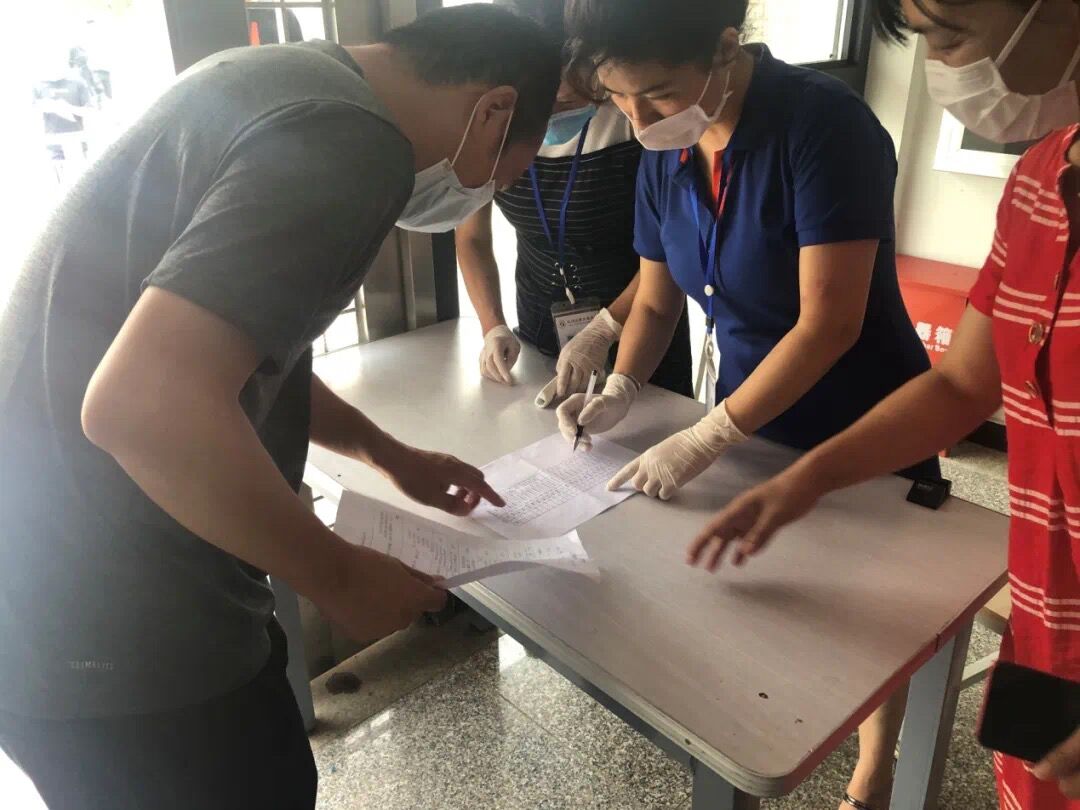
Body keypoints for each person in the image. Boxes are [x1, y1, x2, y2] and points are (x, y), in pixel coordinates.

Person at [0, 6, 560, 809]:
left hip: (45, 577)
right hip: (112, 619)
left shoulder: (276, 77)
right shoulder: (353, 144)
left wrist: (389, 456)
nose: (477, 197)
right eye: (498, 179)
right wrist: (340, 576)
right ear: (495, 110)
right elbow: (142, 405)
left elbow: (234, 355)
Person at [687, 1, 1080, 808]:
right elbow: (961, 384)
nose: (939, 68)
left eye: (949, 32)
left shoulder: (822, 126)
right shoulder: (1040, 177)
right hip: (1052, 639)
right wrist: (807, 479)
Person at [558, 2, 942, 807]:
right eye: (618, 97)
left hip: (864, 414)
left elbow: (830, 323)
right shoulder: (668, 148)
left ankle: (875, 767)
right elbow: (657, 298)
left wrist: (709, 434)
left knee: (874, 611)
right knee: (781, 598)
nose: (638, 119)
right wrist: (620, 384)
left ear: (725, 47)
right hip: (753, 416)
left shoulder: (823, 127)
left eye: (657, 93)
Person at [457, 0, 692, 404]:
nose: (549, 116)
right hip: (538, 328)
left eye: (567, 102)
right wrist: (493, 325)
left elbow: (674, 251)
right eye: (538, 104)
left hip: (643, 325)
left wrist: (603, 330)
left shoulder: (639, 120)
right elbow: (471, 237)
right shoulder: (497, 123)